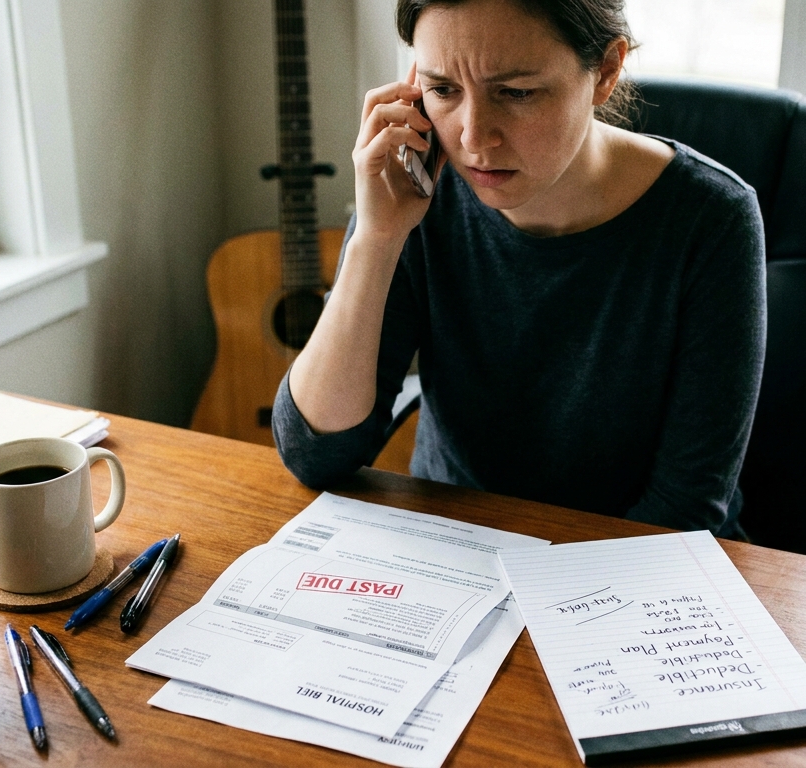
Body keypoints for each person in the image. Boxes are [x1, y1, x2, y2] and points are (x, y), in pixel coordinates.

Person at [274, 0, 766, 537]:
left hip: (629, 569)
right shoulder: (414, 192)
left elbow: (684, 507)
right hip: (460, 547)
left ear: (605, 71)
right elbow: (314, 456)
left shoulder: (712, 219)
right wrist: (376, 238)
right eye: (442, 90)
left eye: (516, 93)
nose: (473, 138)